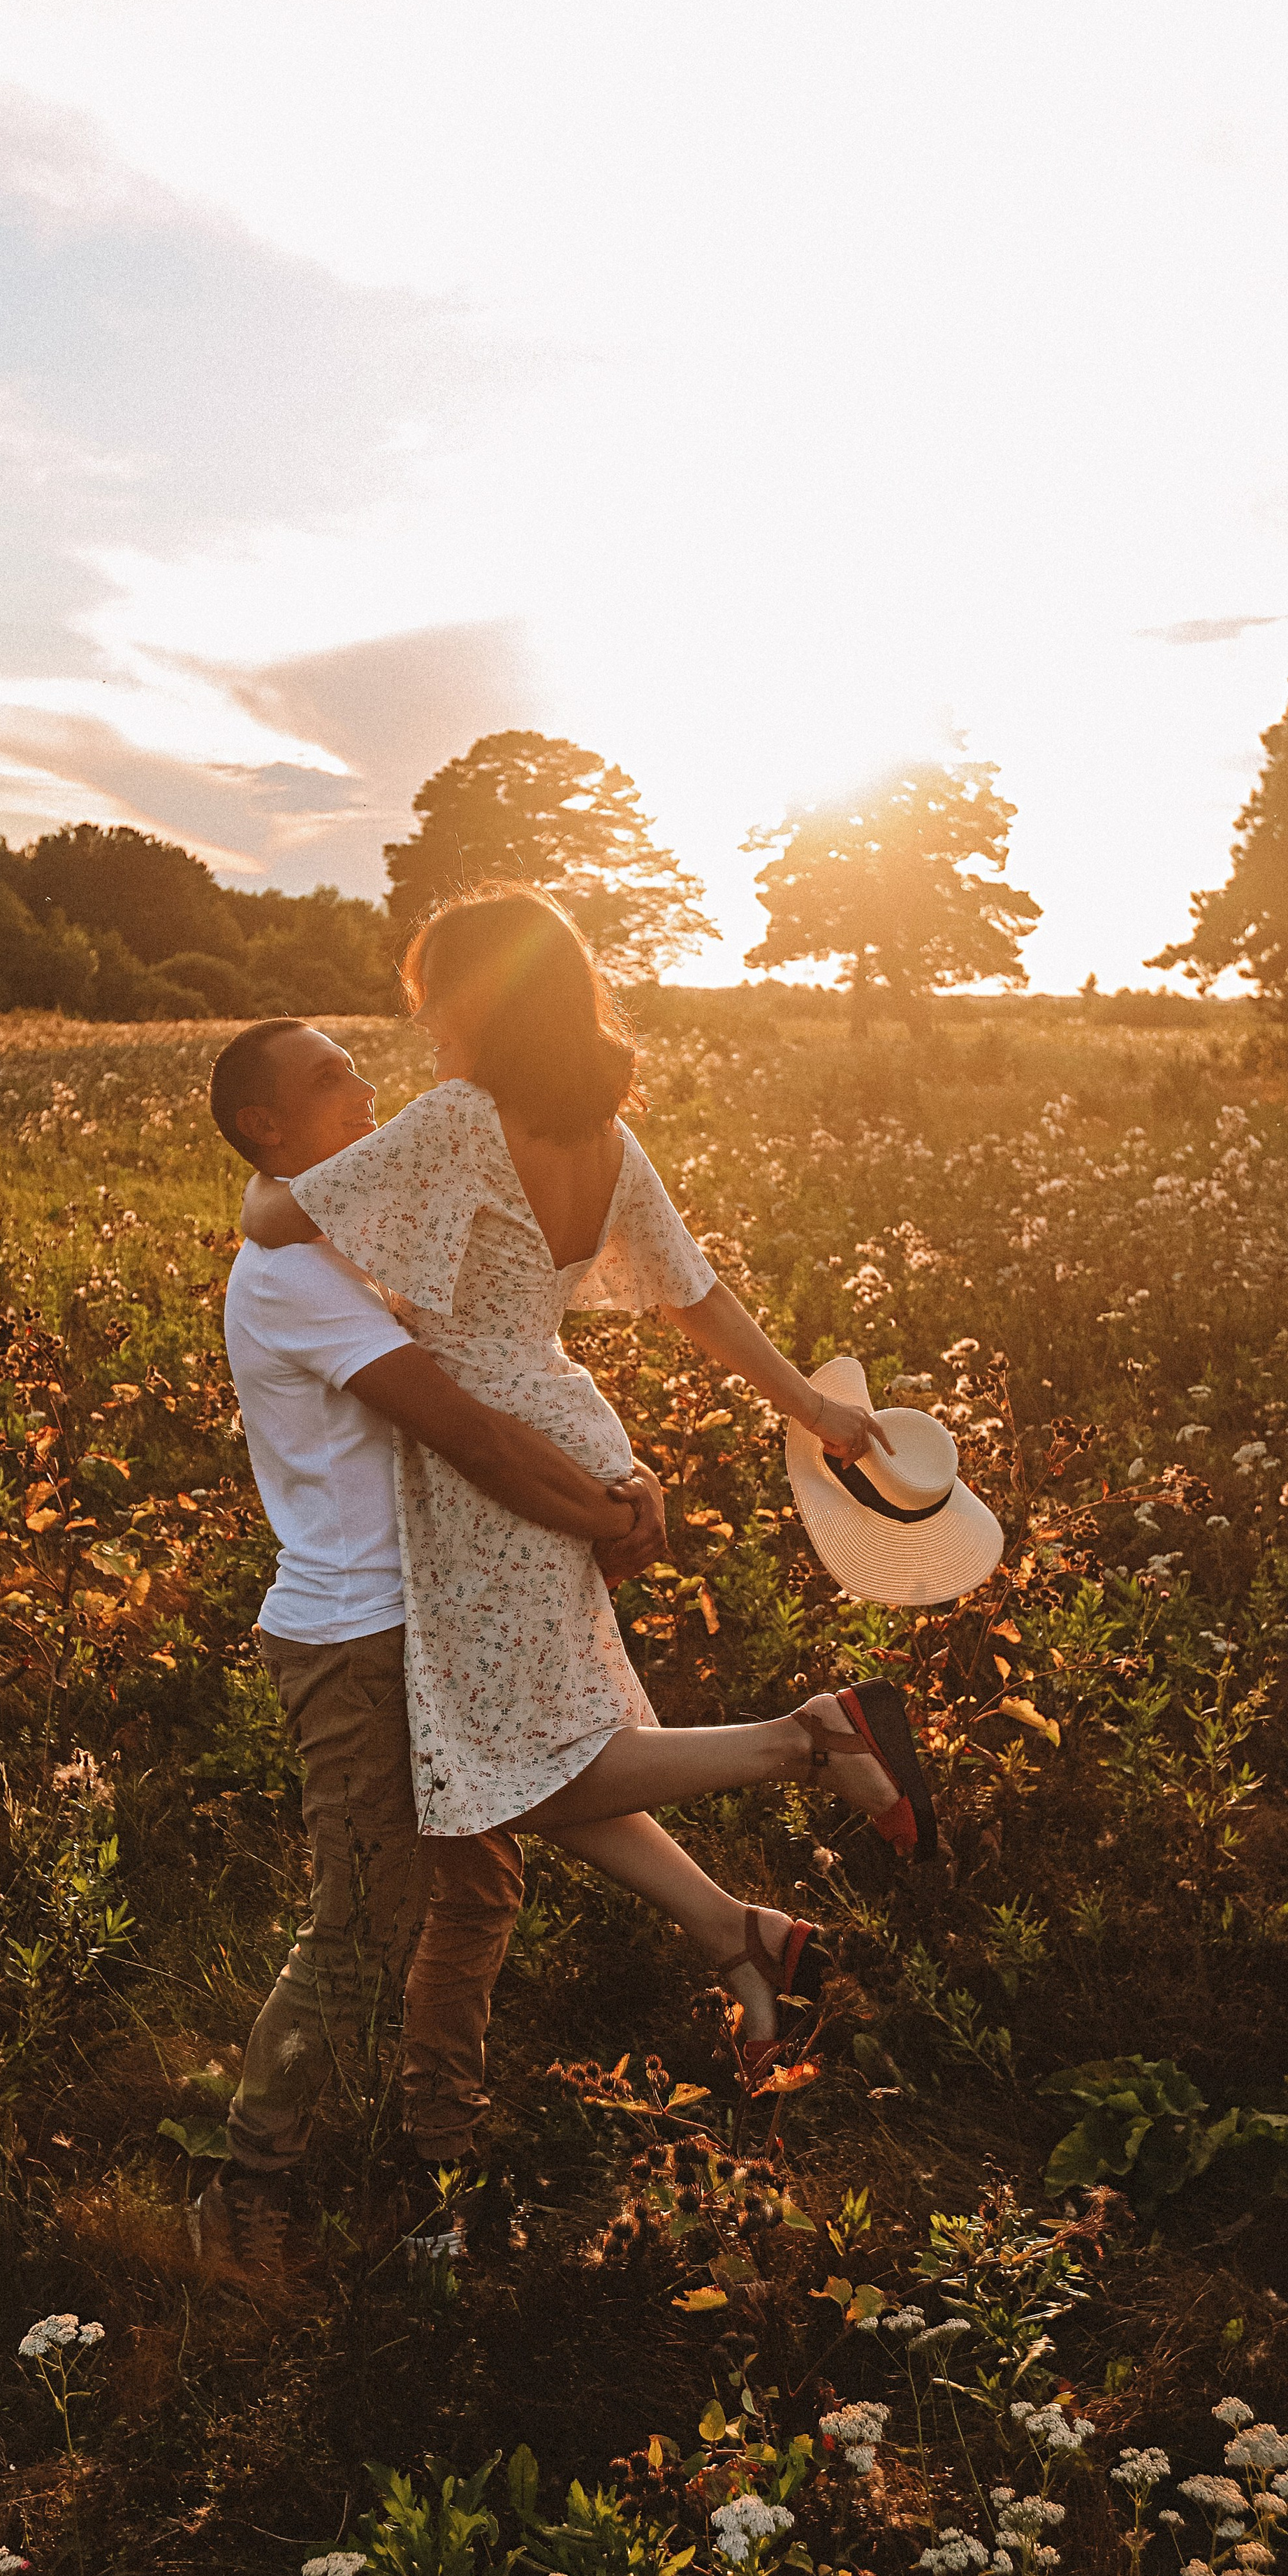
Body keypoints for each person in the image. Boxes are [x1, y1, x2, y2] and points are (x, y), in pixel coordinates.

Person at [238, 887, 937, 2071]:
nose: (424, 1031)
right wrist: (813, 1407)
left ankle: (811, 1736)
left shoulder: (462, 1117)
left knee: (513, 1766)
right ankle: (745, 1942)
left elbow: (273, 1213)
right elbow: (694, 1296)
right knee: (525, 1745)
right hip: (570, 1409)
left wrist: (269, 1179)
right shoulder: (606, 1135)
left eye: (429, 1003)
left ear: (479, 998)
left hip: (489, 1448)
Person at [211, 1016, 669, 2175]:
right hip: (355, 1636)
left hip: (428, 1615)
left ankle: (443, 2146)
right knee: (359, 1930)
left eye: (359, 1066)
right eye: (330, 1079)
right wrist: (601, 1513)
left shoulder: (353, 1237)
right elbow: (466, 1433)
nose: (367, 1088)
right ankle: (250, 2184)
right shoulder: (288, 1272)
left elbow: (506, 1367)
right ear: (265, 1128)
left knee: (476, 1896)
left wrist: (617, 1474)